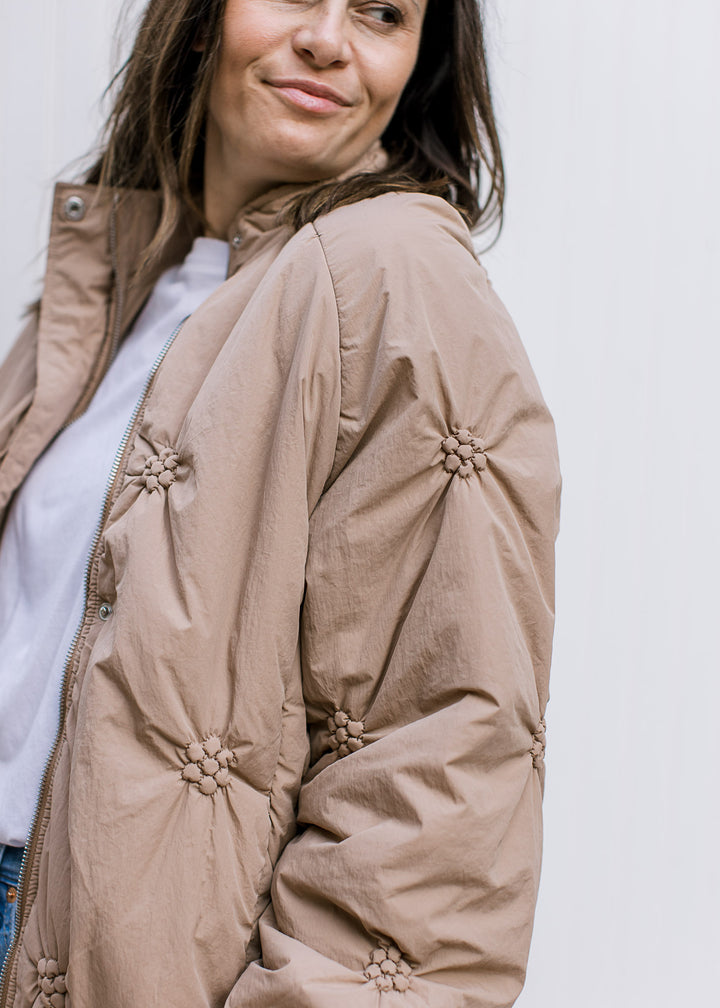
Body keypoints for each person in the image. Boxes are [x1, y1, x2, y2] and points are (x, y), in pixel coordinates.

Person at [0, 0, 560, 1005]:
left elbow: (441, 758)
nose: (328, 39)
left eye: (383, 12)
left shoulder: (398, 281)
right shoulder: (125, 270)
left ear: (418, 62)